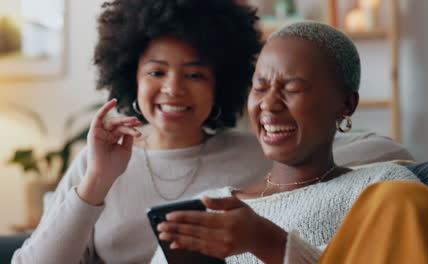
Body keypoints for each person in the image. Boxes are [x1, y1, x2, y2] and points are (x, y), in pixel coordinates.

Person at [151, 21, 428, 263]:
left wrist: (270, 244)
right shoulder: (212, 208)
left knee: (406, 199)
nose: (269, 104)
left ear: (346, 105)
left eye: (292, 87)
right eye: (259, 88)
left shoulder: (383, 191)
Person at [12, 0, 268, 263]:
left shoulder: (257, 159)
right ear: (132, 78)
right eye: (156, 72)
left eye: (194, 75)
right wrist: (97, 181)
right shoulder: (98, 161)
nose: (173, 88)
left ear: (220, 84)